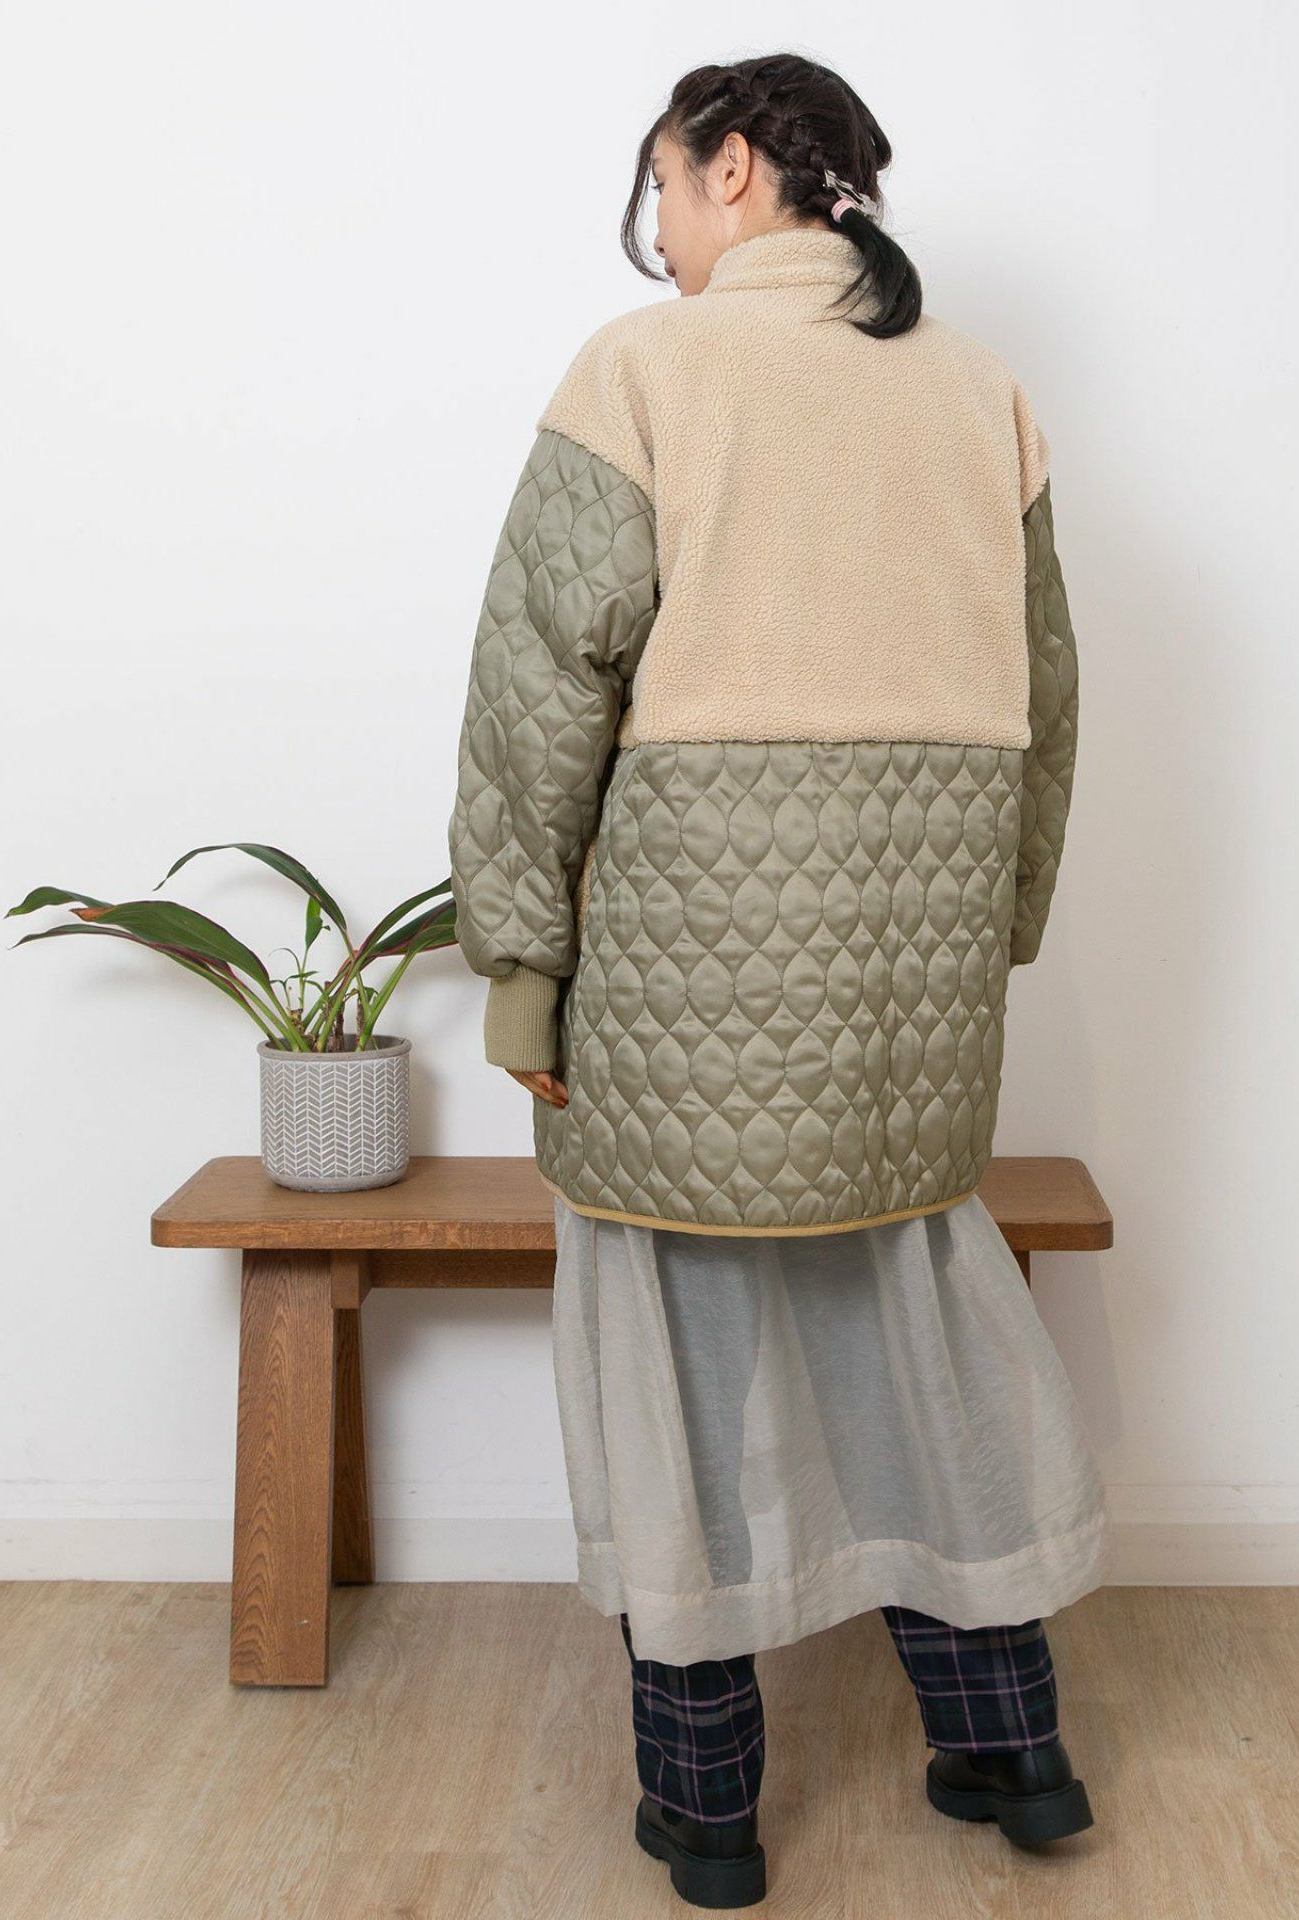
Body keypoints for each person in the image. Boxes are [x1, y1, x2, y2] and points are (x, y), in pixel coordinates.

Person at [448, 51, 1107, 1910]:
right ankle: (1013, 1750)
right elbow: (1047, 707)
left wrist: (523, 967)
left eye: (664, 186)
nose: (660, 231)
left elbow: (535, 696)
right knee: (916, 1337)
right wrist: (994, 934)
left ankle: (710, 1807)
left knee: (671, 1360)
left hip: (680, 975)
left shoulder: (644, 372)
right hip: (915, 987)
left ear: (735, 168)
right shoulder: (981, 390)